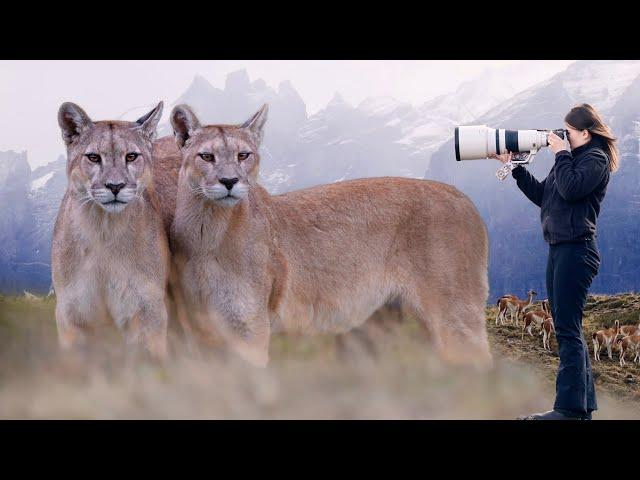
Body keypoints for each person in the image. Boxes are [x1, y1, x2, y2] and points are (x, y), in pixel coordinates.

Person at [491, 103, 619, 420]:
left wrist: (560, 153)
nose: (561, 137)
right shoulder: (572, 161)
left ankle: (568, 410)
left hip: (577, 250)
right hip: (560, 249)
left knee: (565, 329)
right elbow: (544, 196)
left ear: (585, 133)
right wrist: (517, 168)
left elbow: (572, 189)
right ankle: (582, 410)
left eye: (568, 132)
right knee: (568, 328)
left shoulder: (595, 160)